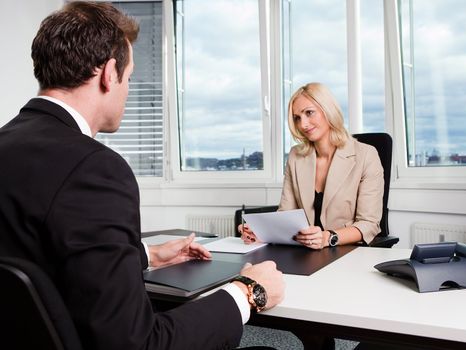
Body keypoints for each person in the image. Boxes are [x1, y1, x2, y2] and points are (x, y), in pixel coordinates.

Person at [0, 2, 284, 350]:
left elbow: (40, 256)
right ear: (109, 73)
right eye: (130, 77)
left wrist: (148, 254)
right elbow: (137, 344)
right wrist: (246, 292)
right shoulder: (93, 168)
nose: (128, 90)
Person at [240, 82, 384, 250]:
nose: (303, 124)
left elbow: (369, 224)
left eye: (309, 113)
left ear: (327, 109)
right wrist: (262, 232)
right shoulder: (296, 156)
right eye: (297, 118)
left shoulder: (366, 155)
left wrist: (327, 238)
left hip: (346, 251)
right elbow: (286, 214)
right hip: (303, 251)